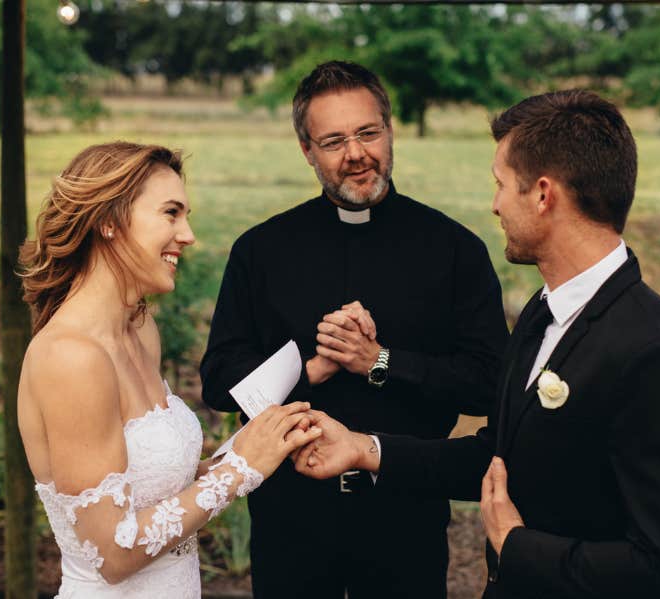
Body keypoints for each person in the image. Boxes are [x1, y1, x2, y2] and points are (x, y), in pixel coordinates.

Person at [293, 90, 660, 599]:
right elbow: (499, 457)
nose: (494, 204)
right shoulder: (544, 313)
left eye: (500, 185)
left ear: (543, 195)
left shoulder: (655, 353)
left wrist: (517, 548)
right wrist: (364, 449)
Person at [200, 61, 508, 598]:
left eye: (368, 133)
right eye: (333, 141)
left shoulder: (454, 249)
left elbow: (489, 383)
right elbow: (219, 382)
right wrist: (310, 366)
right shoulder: (261, 250)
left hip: (406, 511)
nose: (356, 154)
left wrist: (380, 362)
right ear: (307, 150)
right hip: (288, 518)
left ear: (390, 130)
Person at [15, 141, 322, 598]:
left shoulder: (140, 329)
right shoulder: (70, 357)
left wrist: (261, 442)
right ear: (108, 222)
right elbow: (113, 554)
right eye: (171, 214)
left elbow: (152, 489)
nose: (188, 234)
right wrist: (239, 471)